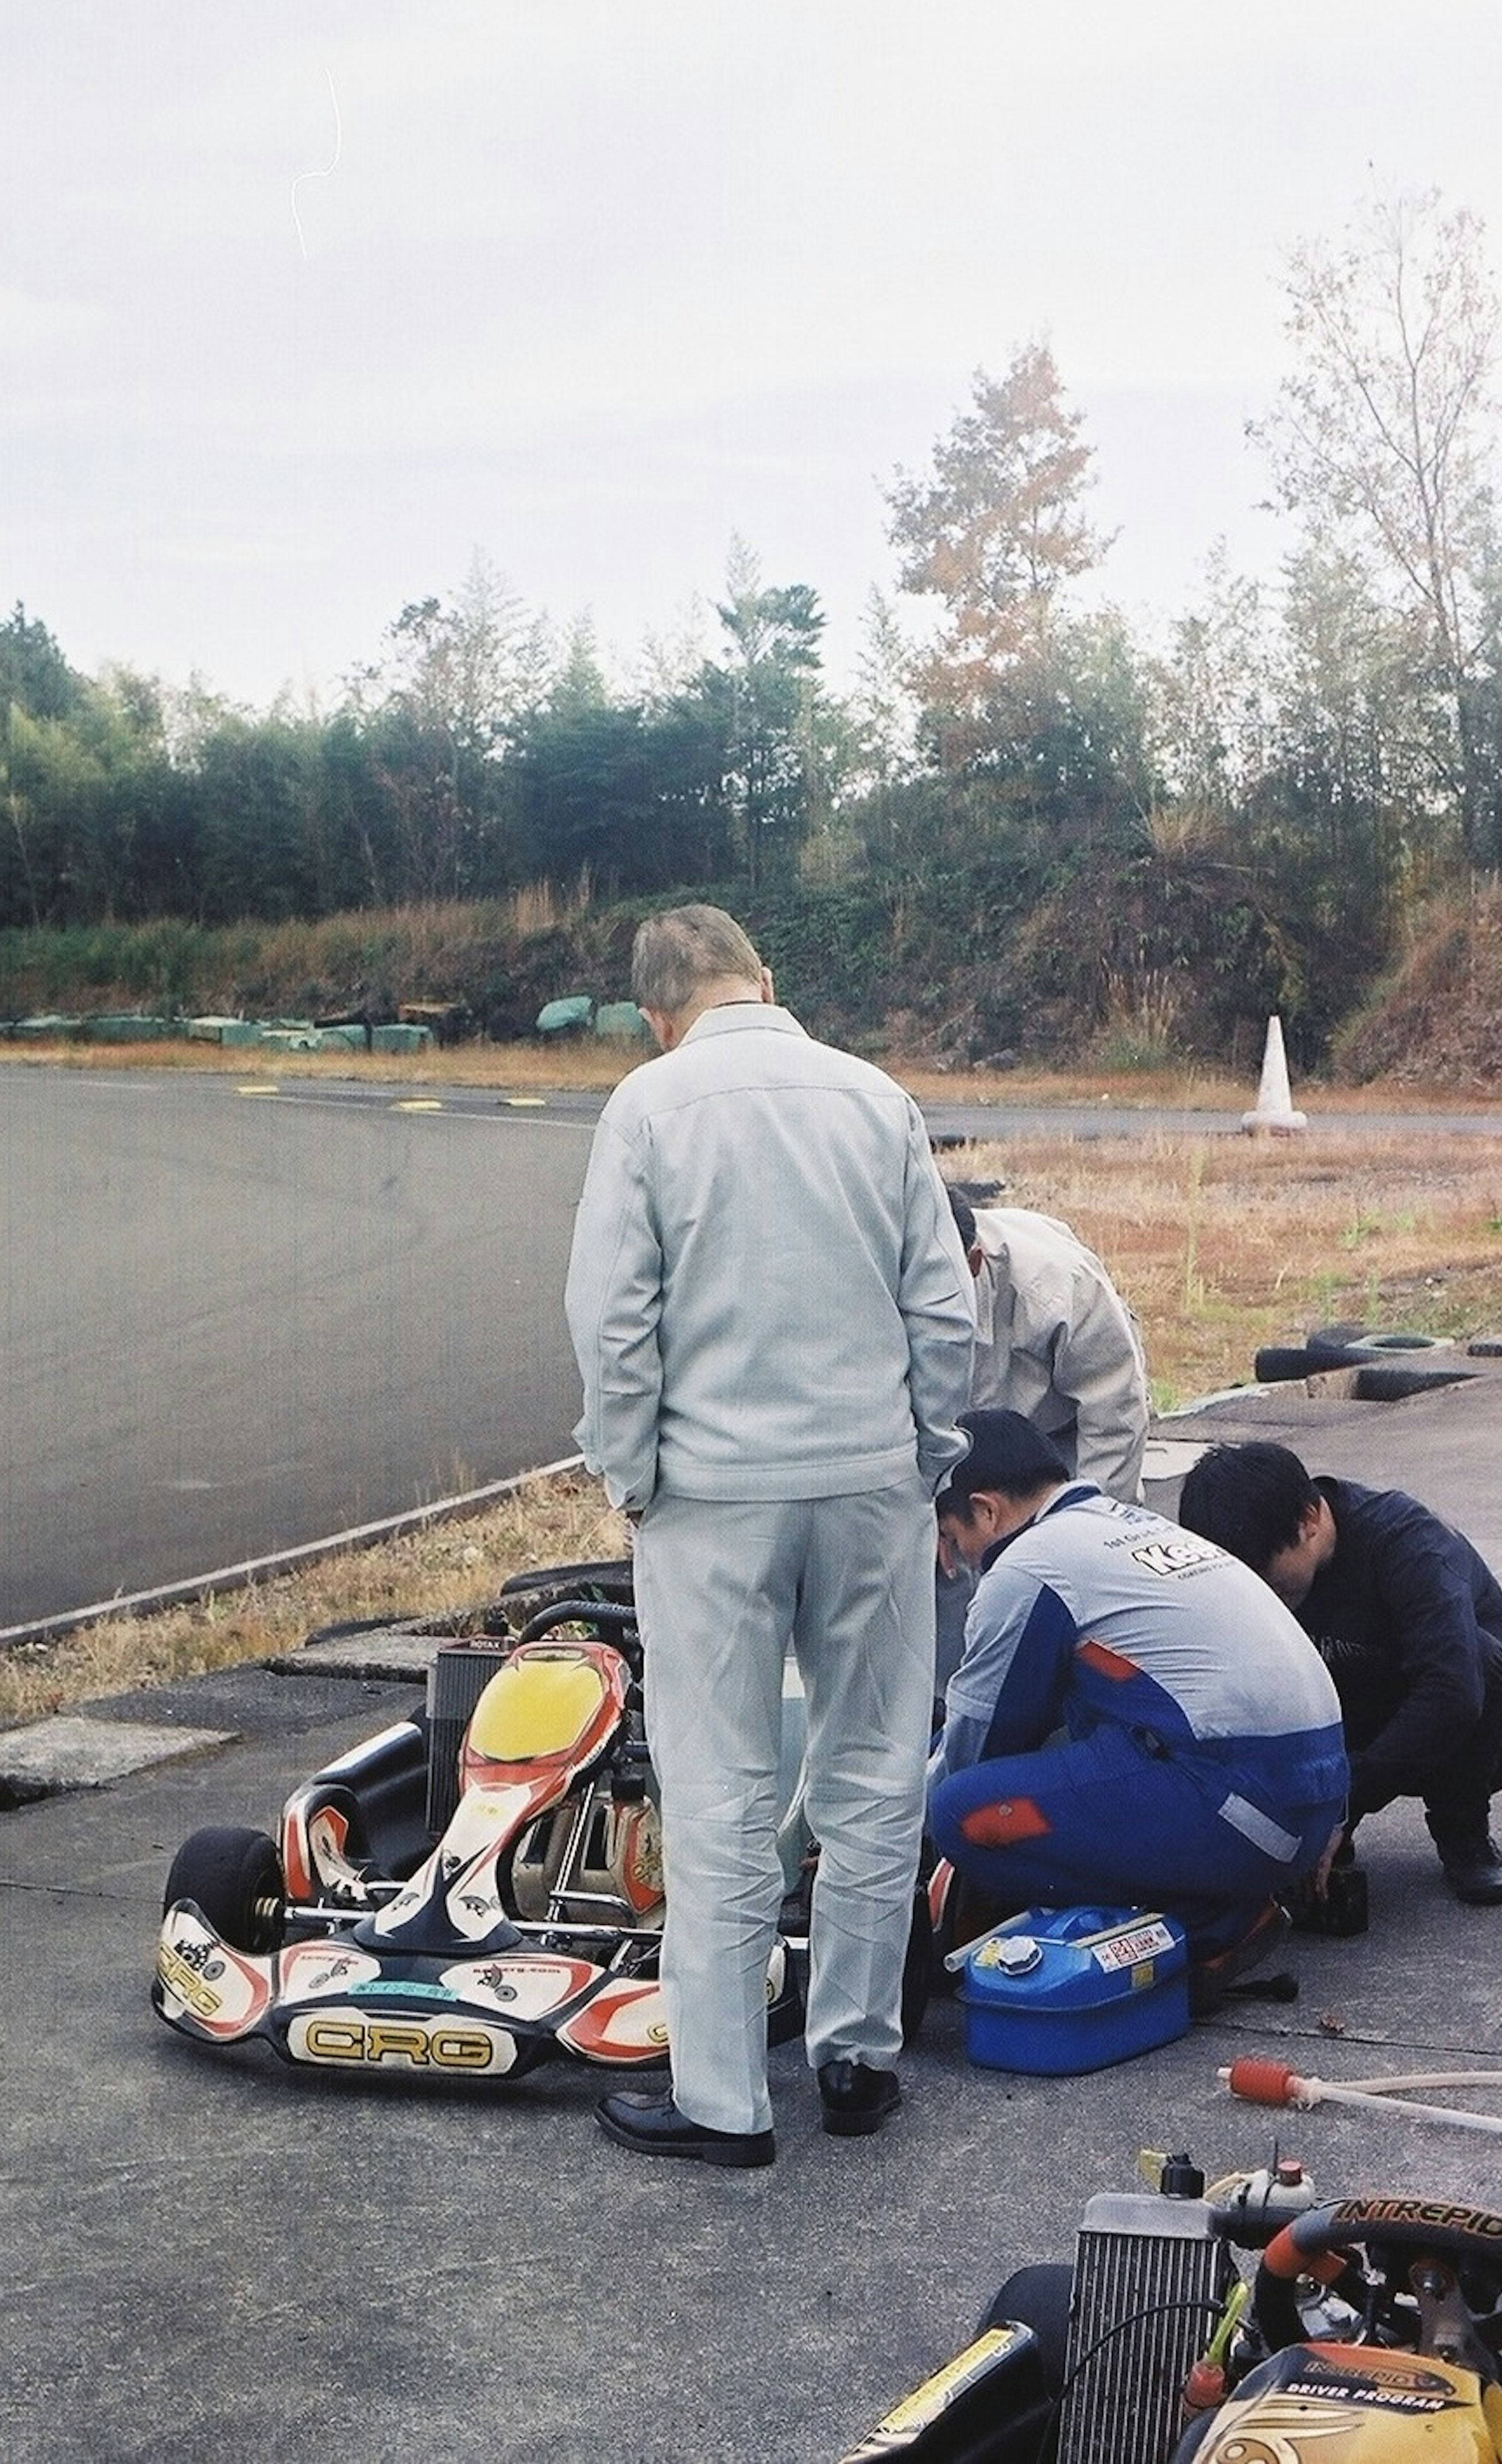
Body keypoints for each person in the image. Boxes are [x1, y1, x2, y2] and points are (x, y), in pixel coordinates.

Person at [565, 904, 974, 2167]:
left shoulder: (649, 1106)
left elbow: (613, 1323)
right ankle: (857, 2050)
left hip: (715, 1492)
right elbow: (943, 1309)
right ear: (766, 980)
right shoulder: (874, 1097)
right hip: (868, 1479)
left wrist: (632, 1471)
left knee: (723, 1782)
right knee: (869, 1765)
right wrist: (926, 1454)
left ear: (656, 1012)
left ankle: (725, 2096)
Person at [929, 1410, 1347, 1967]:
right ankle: (1219, 1891)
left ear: (986, 1508)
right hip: (1312, 1801)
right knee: (1086, 1714)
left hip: (1246, 1808)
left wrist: (884, 1825)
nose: (957, 1566)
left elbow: (977, 1746)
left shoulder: (1030, 1568)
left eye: (955, 1541)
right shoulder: (1124, 1524)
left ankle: (1211, 1923)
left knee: (961, 1812)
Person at [1176, 1441, 1502, 1906]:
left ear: (1310, 1522)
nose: (1267, 1602)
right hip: (1366, 1706)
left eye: (1273, 1585)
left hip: (1488, 1722)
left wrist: (1346, 1801)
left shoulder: (1408, 1541)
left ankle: (1464, 1833)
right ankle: (1320, 1829)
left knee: (1475, 1660)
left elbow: (1454, 1692)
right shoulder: (1260, 1560)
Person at [938, 1187, 1152, 1690]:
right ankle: (955, 1702)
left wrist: (1090, 1541)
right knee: (951, 1564)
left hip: (1067, 1431)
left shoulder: (1056, 1285)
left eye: (937, 1285)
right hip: (961, 1435)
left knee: (1069, 1574)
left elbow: (1115, 1415)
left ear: (973, 1261)